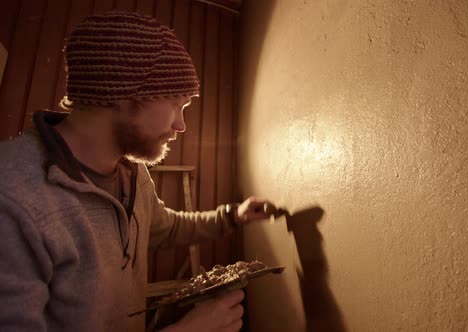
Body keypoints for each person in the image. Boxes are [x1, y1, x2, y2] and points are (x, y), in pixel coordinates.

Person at [0, 11, 271, 331]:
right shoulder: (14, 198)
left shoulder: (131, 172)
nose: (181, 125)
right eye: (175, 104)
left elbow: (165, 228)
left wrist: (232, 215)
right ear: (123, 94)